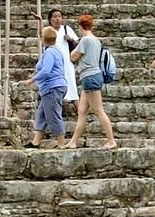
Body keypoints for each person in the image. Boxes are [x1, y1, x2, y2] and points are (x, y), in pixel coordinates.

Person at [68, 13, 116, 150]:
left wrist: (71, 46)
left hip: (90, 77)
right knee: (82, 111)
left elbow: (73, 57)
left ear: (80, 26)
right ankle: (73, 141)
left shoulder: (85, 40)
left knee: (98, 110)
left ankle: (111, 140)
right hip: (92, 76)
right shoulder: (96, 40)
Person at [30, 22, 69, 148]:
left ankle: (61, 143)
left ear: (43, 39)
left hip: (53, 87)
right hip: (51, 87)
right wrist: (40, 21)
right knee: (41, 114)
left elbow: (46, 71)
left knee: (53, 114)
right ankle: (36, 141)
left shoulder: (50, 53)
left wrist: (31, 80)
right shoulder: (54, 50)